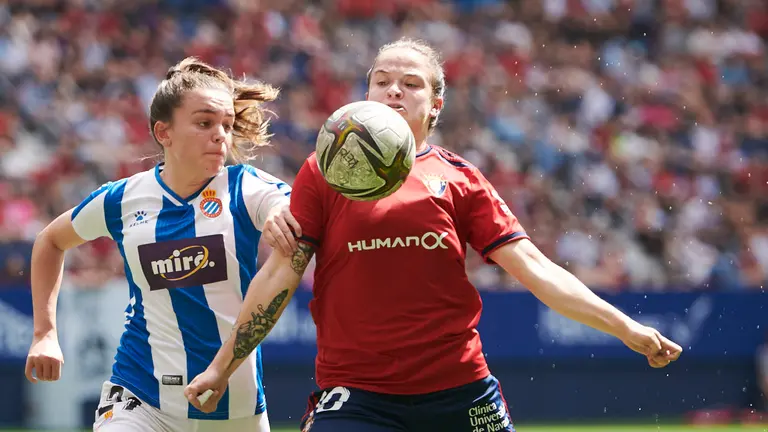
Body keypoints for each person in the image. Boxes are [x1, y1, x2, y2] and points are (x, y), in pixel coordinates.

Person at [184, 38, 683, 432]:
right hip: (356, 395)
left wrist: (627, 329)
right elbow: (278, 277)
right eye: (381, 81)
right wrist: (221, 367)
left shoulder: (460, 177)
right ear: (367, 94)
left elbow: (535, 269)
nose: (394, 90)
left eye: (411, 83)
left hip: (460, 393)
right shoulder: (323, 172)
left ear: (436, 103)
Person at [24, 57, 302, 432]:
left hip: (234, 411)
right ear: (163, 132)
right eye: (204, 123)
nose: (220, 135)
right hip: (140, 398)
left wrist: (278, 213)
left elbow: (283, 204)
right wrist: (44, 333)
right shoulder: (122, 200)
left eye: (227, 125)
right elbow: (50, 240)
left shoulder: (246, 187)